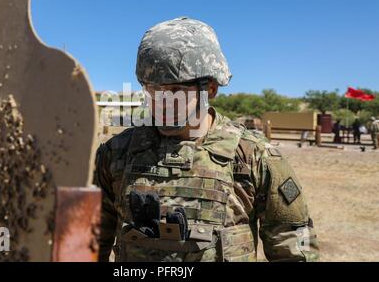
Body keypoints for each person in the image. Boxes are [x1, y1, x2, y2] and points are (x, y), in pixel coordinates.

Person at [94, 17, 319, 262]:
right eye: (152, 89)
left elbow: (293, 251)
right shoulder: (115, 153)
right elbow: (90, 240)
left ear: (210, 88)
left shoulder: (254, 156)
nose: (161, 102)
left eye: (174, 91)